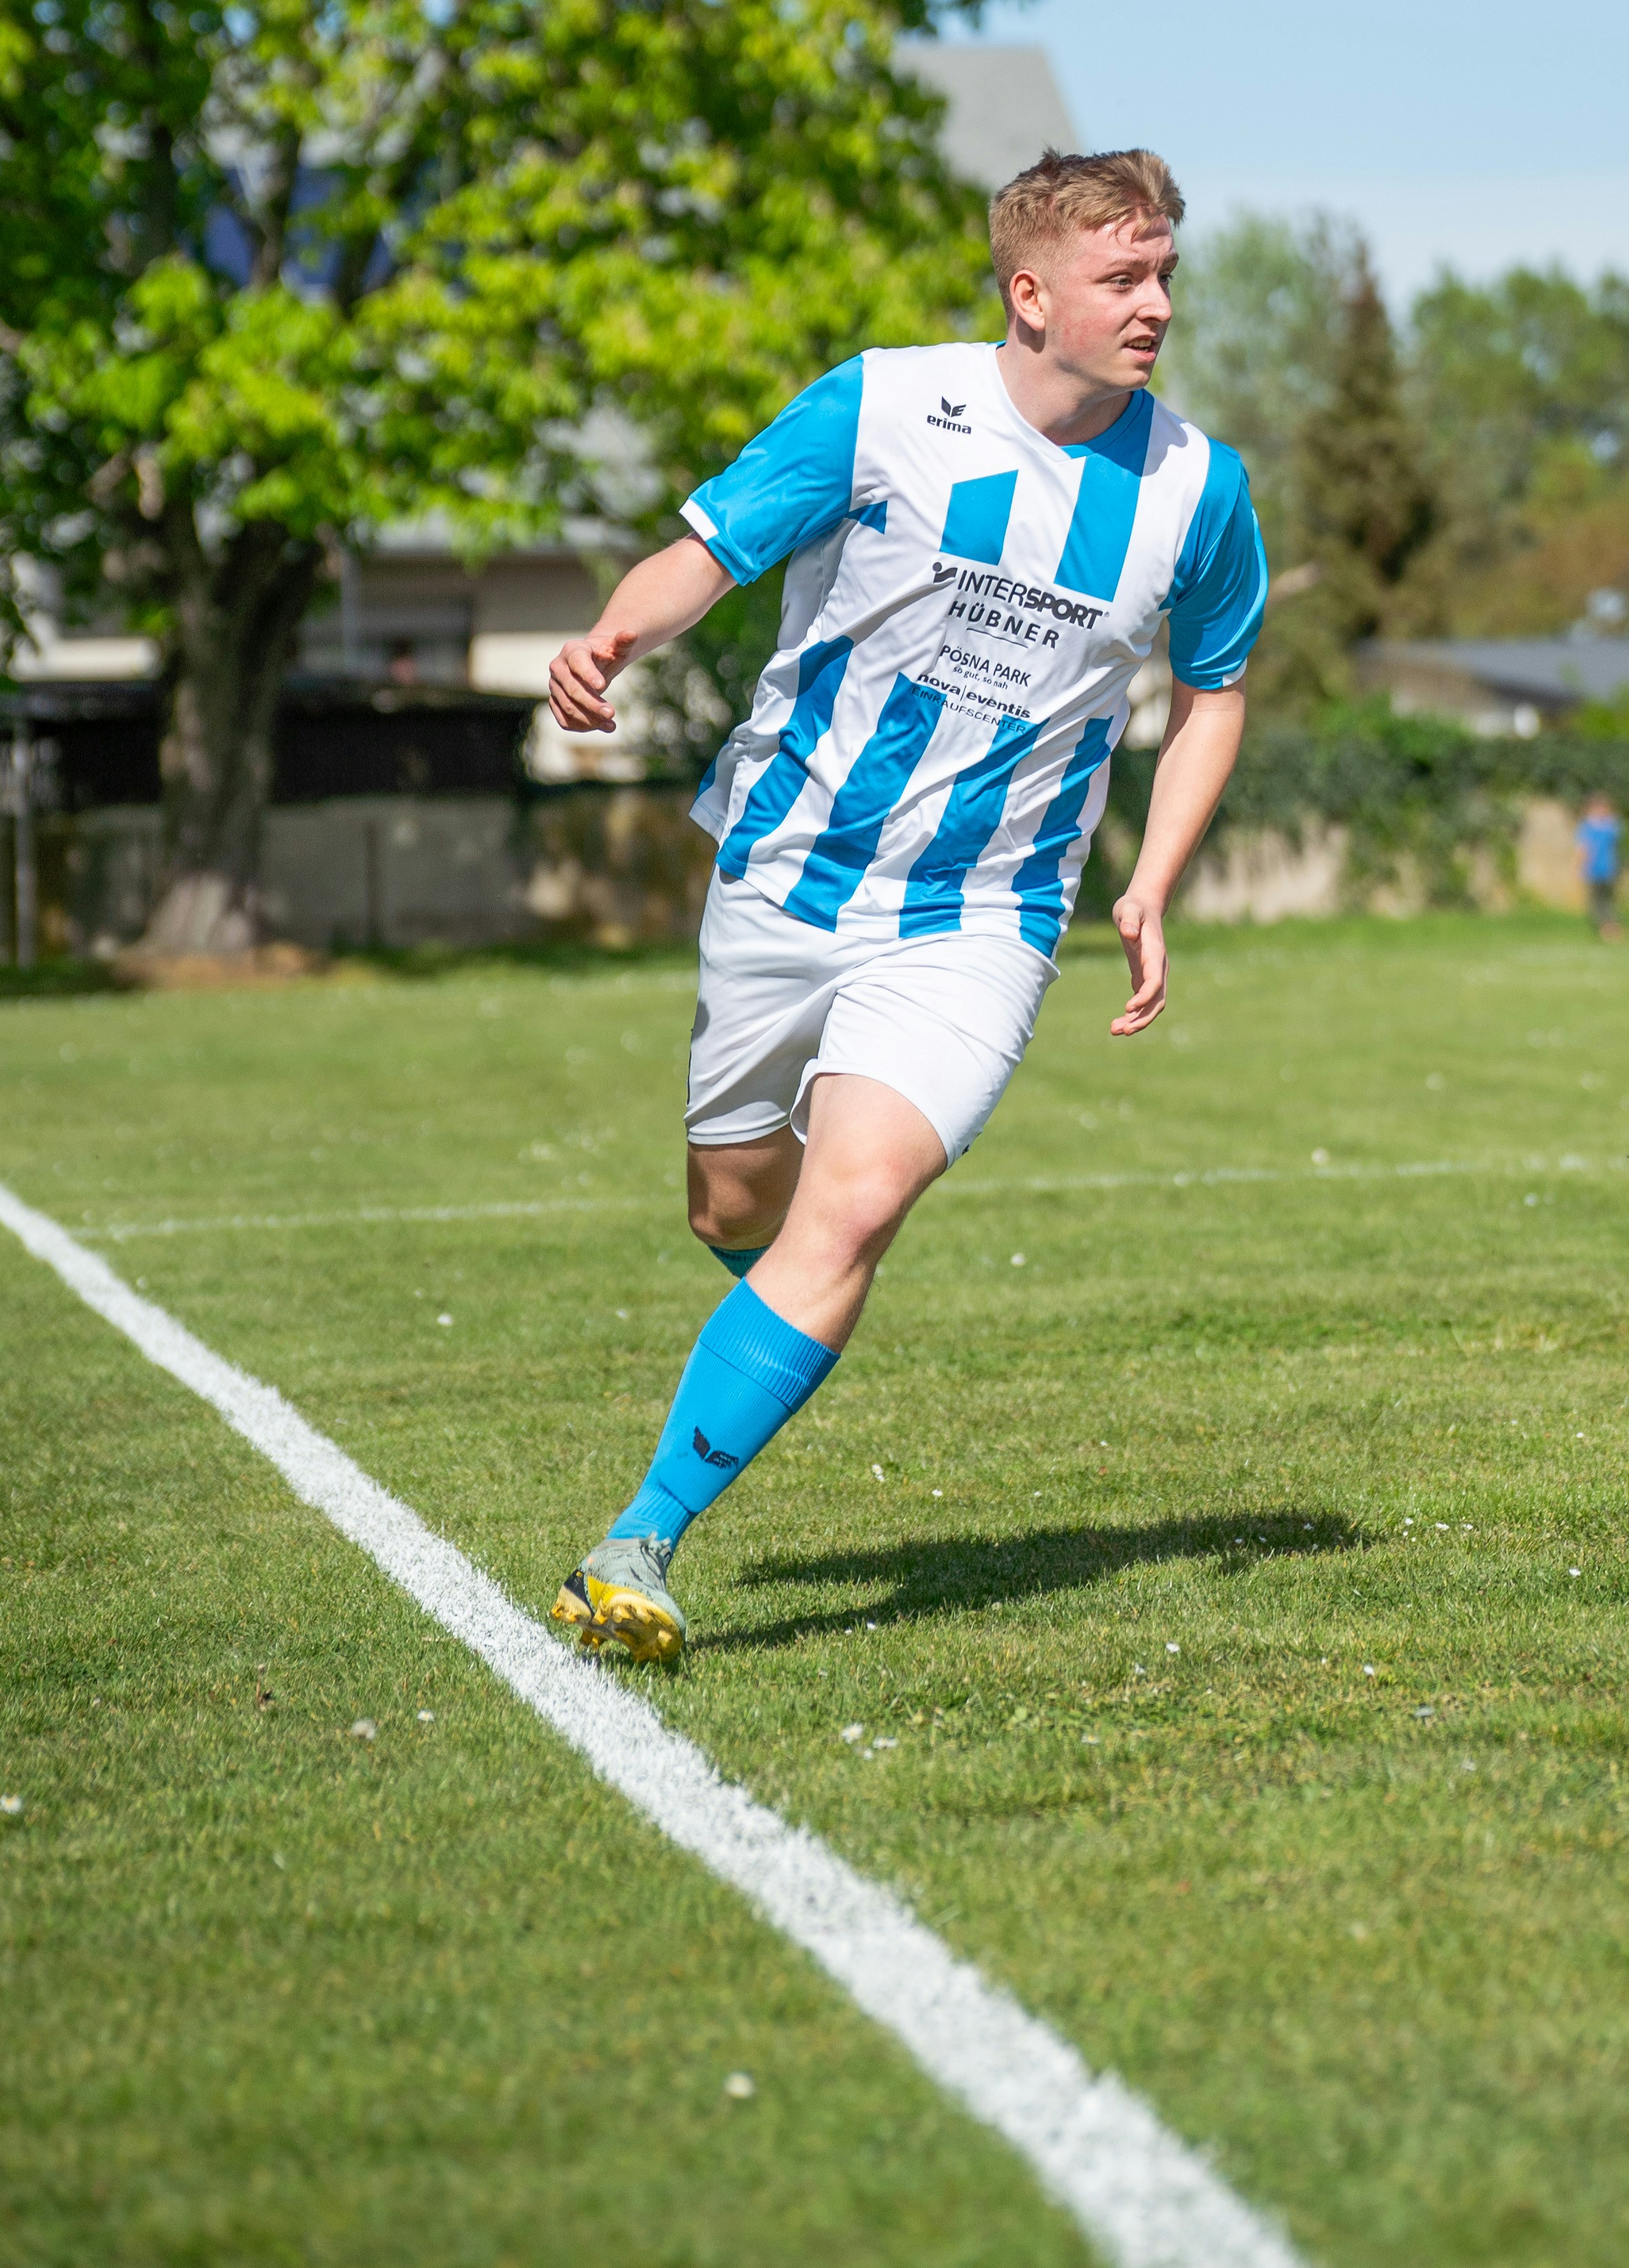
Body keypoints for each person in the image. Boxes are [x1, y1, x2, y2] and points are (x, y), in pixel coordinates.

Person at [541, 146, 1267, 1663]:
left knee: (857, 1199)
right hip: (786, 870)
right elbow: (710, 552)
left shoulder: (1200, 489)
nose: (1156, 305)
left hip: (984, 914)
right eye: (1122, 278)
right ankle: (784, 1314)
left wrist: (1150, 880)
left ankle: (637, 1541)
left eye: (1164, 274)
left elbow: (1214, 689)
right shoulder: (881, 407)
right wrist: (611, 637)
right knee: (734, 1209)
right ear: (1030, 293)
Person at [1574, 791, 1624, 940]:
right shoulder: (1610, 826)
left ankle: (1610, 930)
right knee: (1601, 902)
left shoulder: (1592, 827)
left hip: (1603, 869)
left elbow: (1584, 849)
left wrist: (1577, 867)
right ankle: (1610, 929)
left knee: (1600, 902)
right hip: (1600, 869)